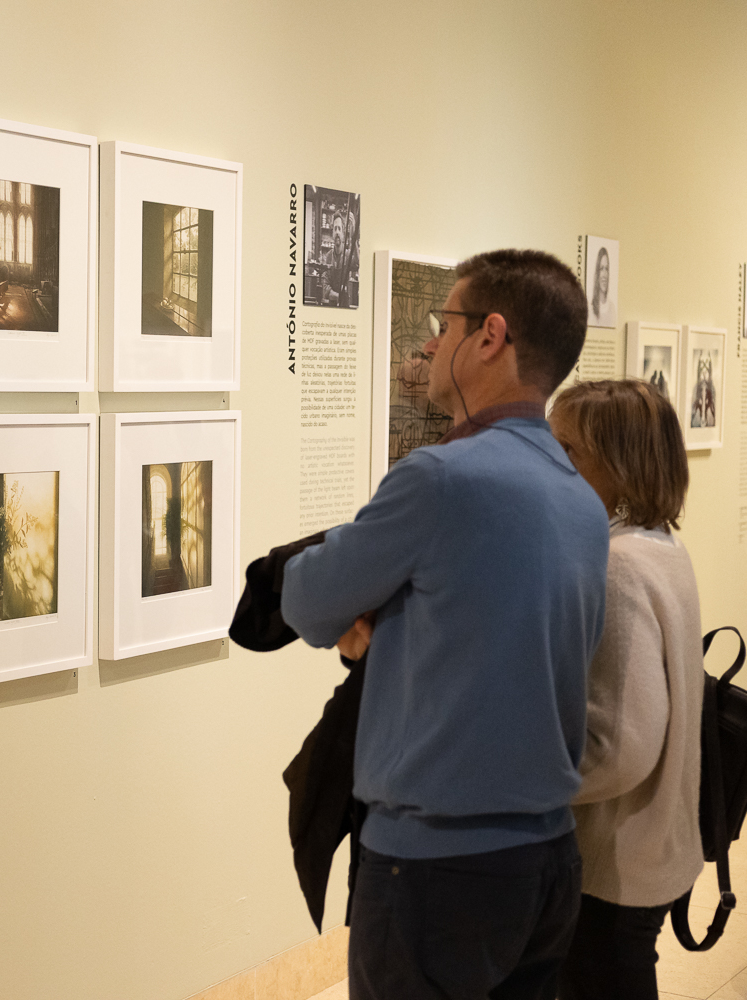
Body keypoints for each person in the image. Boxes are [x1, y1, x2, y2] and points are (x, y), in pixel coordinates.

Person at [280, 249, 608, 999]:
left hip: (435, 867)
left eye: (445, 323)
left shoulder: (438, 480)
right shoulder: (581, 499)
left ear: (490, 336)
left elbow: (304, 601)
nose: (431, 344)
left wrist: (366, 610)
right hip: (548, 859)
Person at [549, 379, 702, 1000]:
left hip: (613, 860)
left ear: (619, 467)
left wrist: (527, 787)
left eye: (567, 451)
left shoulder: (617, 566)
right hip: (646, 847)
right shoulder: (661, 547)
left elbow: (621, 747)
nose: (550, 463)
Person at [591, 245, 610, 322]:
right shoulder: (590, 308)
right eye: (601, 269)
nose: (604, 275)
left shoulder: (612, 309)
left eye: (606, 269)